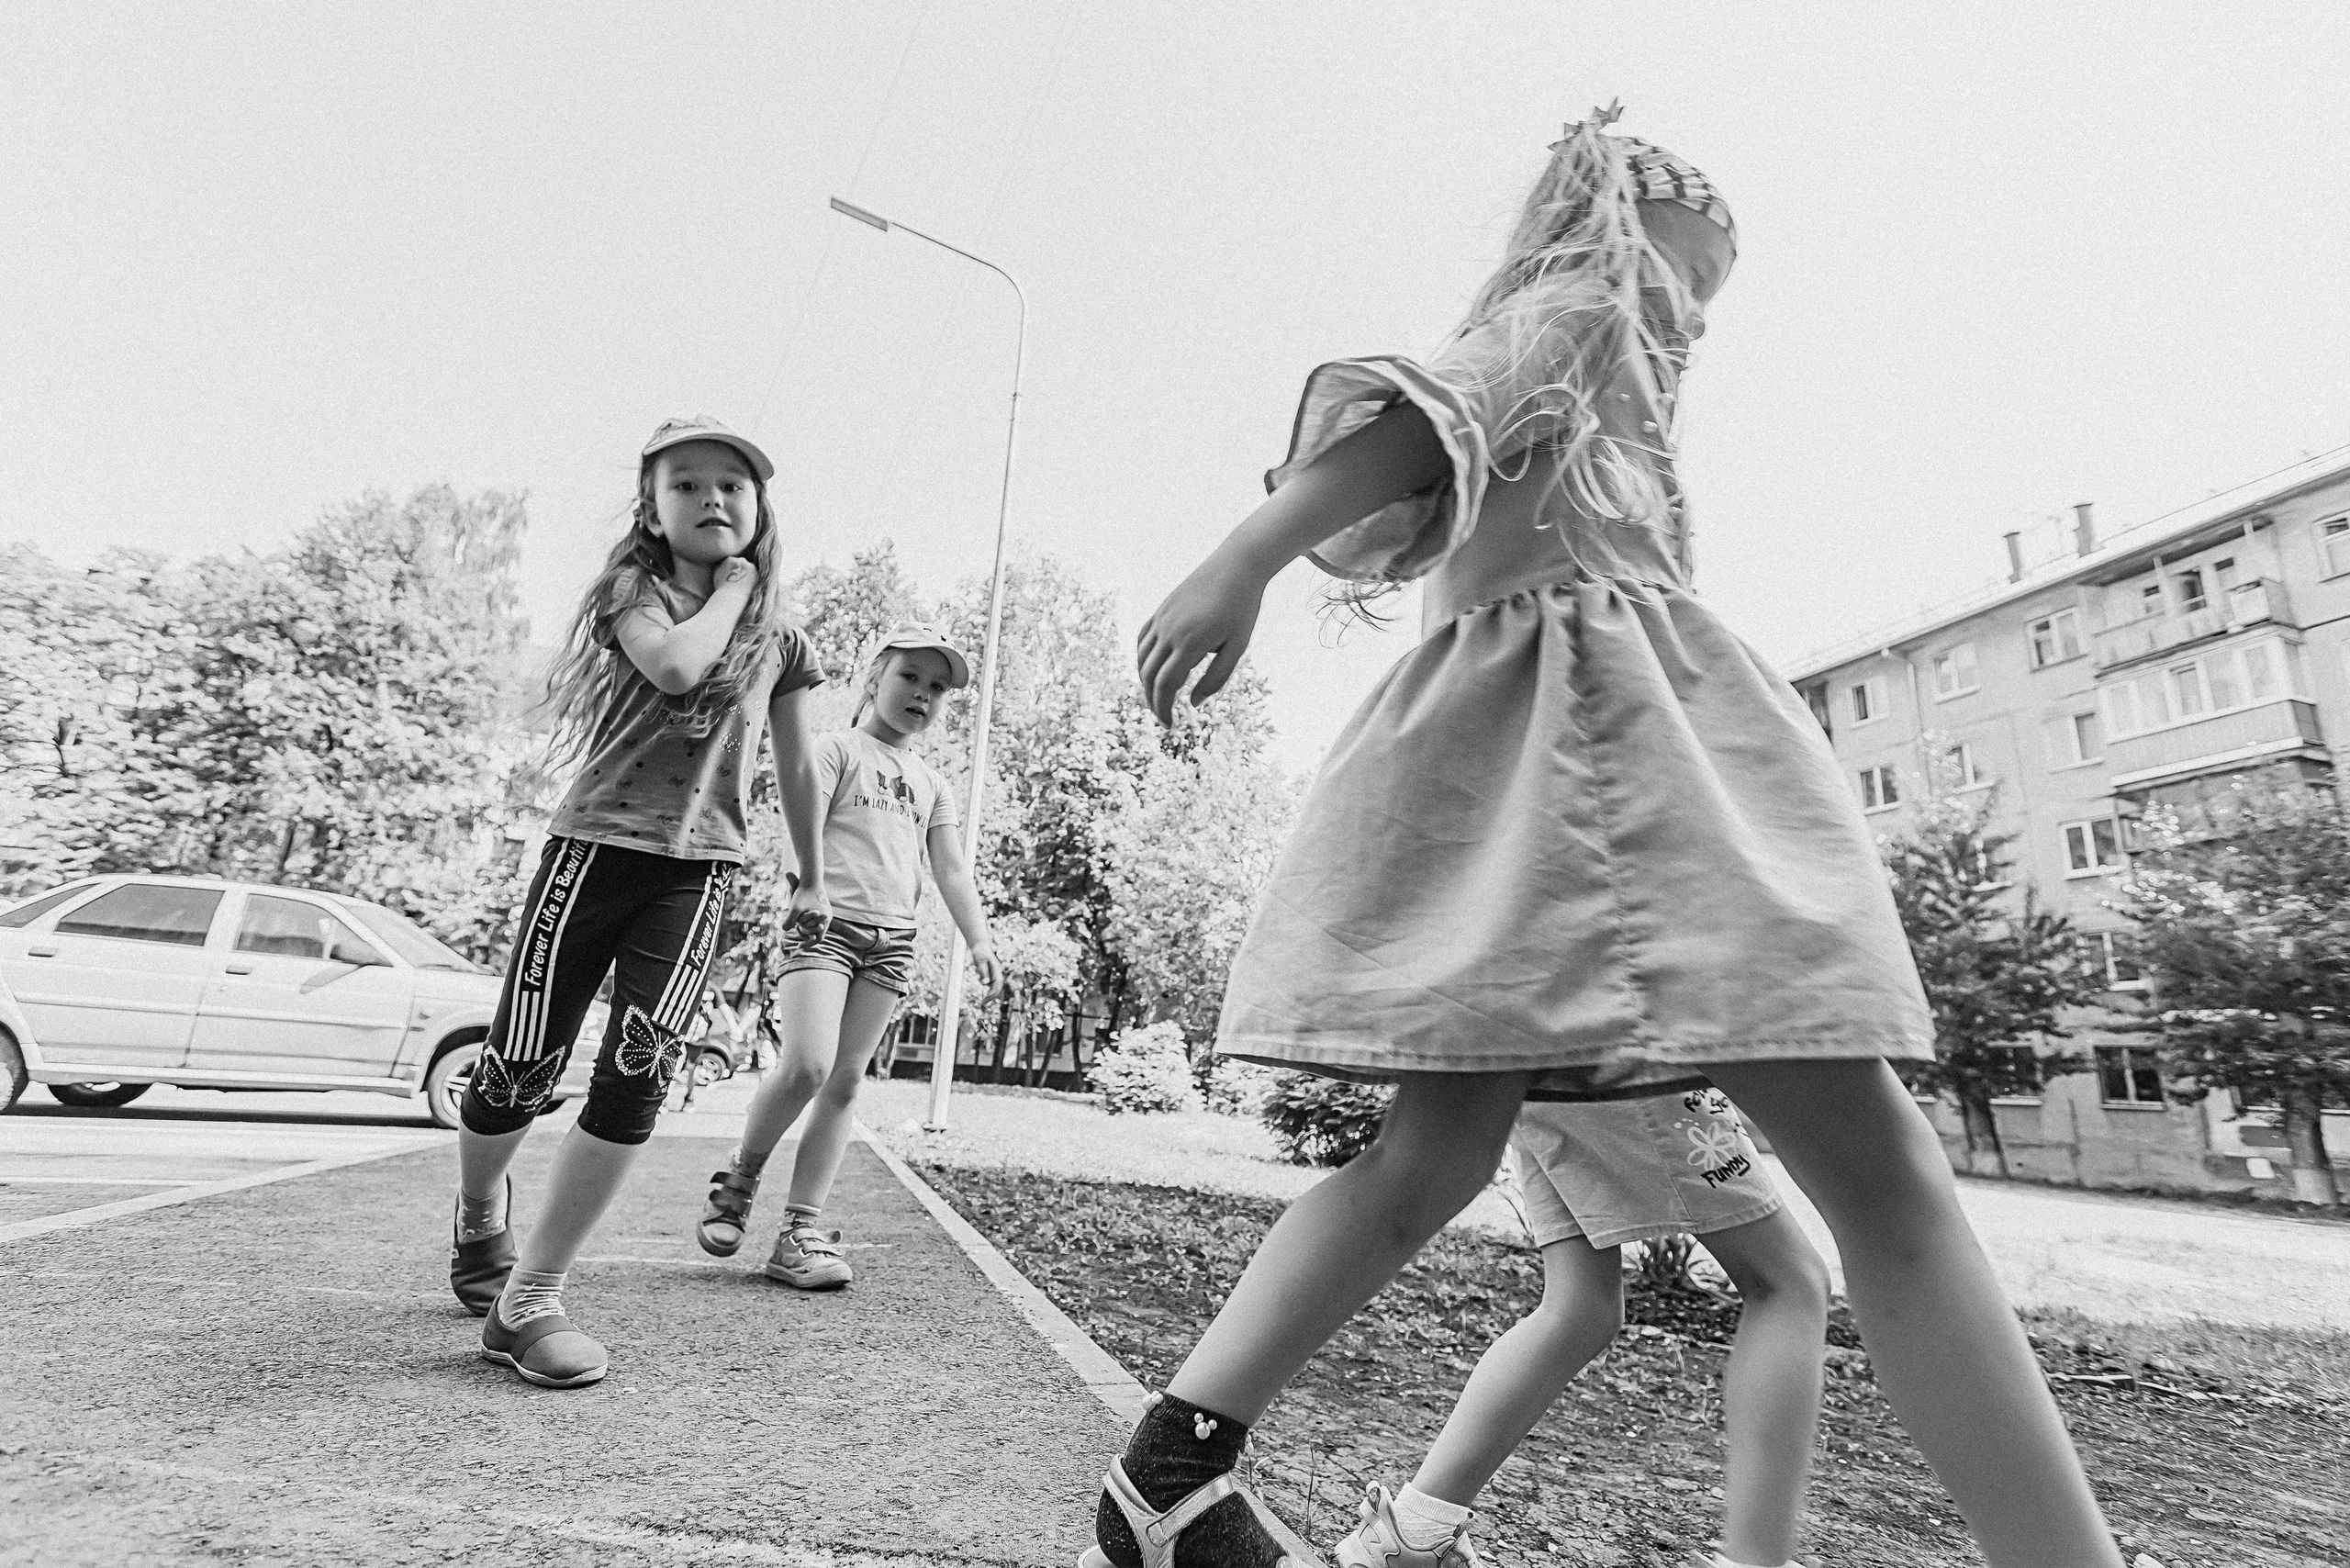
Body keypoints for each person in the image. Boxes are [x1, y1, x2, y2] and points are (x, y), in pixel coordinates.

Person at [1089, 106, 2128, 1568]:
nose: (1690, 317)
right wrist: (1240, 561)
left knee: (1428, 1161)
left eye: (1709, 296)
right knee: (1888, 1191)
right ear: (1612, 234)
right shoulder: (1581, 309)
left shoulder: (1600, 381)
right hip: (1603, 773)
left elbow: (1450, 446)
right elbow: (1425, 422)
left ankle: (1167, 1480)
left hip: (1534, 794)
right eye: (1683, 274)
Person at [447, 416, 830, 1390]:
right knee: (519, 1067)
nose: (712, 499)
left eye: (732, 485)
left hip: (699, 870)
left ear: (760, 506)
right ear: (652, 512)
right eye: (686, 484)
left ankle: (529, 1297)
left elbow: (795, 767)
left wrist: (814, 875)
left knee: (637, 1076)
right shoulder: (634, 592)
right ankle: (481, 1210)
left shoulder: (785, 642)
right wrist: (736, 588)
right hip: (593, 851)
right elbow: (675, 667)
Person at [1331, 1092, 1829, 1568]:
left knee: (1580, 1309)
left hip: (1555, 1065)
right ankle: (1756, 1560)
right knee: (1788, 1283)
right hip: (1631, 1062)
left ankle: (1416, 1534)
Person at [694, 622, 1000, 1287]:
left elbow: (951, 868)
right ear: (875, 678)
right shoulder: (836, 750)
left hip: (892, 943)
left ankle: (799, 1231)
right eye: (910, 676)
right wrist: (807, 883)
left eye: (938, 687)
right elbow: (799, 821)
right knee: (807, 1064)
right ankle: (741, 1176)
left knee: (846, 1081)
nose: (922, 694)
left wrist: (977, 937)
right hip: (825, 928)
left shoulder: (932, 784)